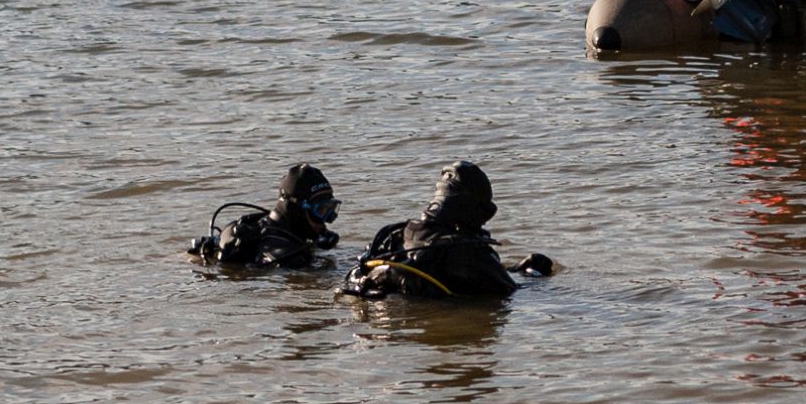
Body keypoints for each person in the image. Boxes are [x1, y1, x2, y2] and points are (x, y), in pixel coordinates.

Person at [338, 161, 553, 300]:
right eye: (485, 213)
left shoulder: (392, 237)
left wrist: (512, 268)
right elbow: (509, 294)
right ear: (469, 209)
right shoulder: (469, 252)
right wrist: (534, 275)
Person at [187, 163, 342, 269]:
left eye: (330, 209)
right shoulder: (288, 255)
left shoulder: (261, 224)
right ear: (297, 210)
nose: (326, 220)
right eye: (320, 211)